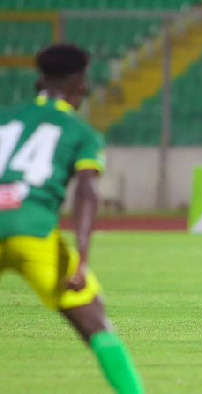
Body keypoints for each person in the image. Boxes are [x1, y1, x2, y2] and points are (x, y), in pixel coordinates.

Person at [0, 44, 144, 392]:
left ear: (41, 80)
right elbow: (87, 192)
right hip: (30, 230)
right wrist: (81, 257)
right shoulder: (80, 133)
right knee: (94, 320)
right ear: (79, 82)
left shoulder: (6, 118)